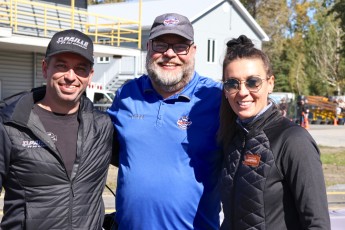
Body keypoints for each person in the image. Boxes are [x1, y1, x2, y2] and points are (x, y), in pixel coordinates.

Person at [107, 13, 222, 229]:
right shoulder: (126, 95)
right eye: (160, 45)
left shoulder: (216, 97)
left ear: (193, 51)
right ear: (148, 47)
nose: (169, 54)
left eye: (180, 46)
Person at [0, 29, 114, 229]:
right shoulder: (11, 125)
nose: (71, 77)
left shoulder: (102, 127)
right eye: (61, 66)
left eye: (81, 68)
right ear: (45, 68)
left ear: (90, 75)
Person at [217, 35, 330, 230]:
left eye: (252, 82)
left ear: (270, 83)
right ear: (225, 90)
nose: (242, 91)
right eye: (233, 83)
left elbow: (317, 223)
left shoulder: (294, 141)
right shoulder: (231, 137)